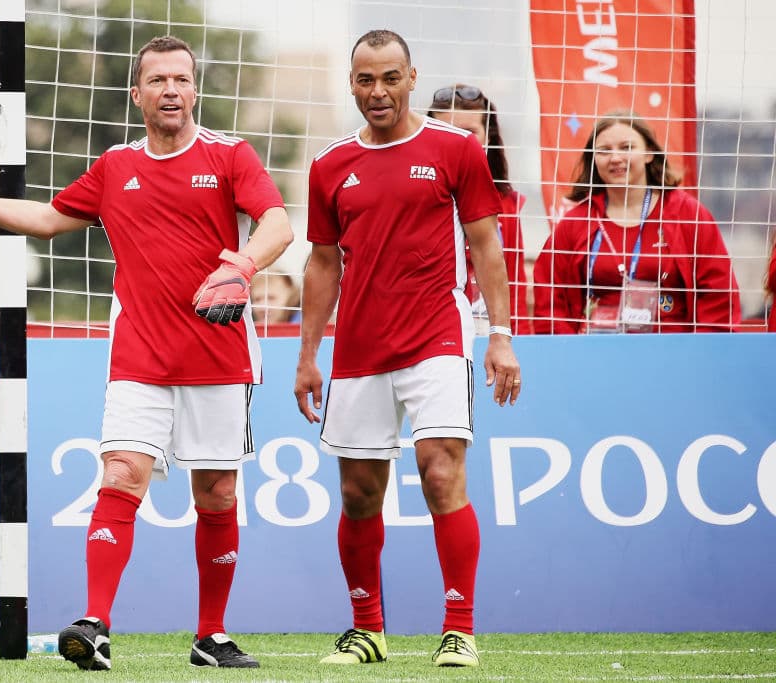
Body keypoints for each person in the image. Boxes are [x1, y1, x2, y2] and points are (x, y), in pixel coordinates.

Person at [0, 36, 293, 671]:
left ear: (195, 90)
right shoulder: (116, 165)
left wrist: (242, 265)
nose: (171, 89)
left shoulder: (230, 156)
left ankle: (211, 634)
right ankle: (96, 625)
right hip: (138, 358)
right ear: (137, 94)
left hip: (221, 358)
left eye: (182, 79)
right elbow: (48, 218)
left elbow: (278, 222)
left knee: (218, 492)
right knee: (120, 477)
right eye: (158, 80)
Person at [294, 30, 520, 669]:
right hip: (359, 347)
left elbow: (485, 246)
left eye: (390, 78)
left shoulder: (456, 151)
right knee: (360, 493)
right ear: (352, 84)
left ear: (412, 77)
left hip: (437, 336)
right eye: (366, 80)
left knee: (440, 469)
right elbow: (320, 261)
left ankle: (459, 628)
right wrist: (308, 356)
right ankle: (368, 629)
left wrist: (499, 334)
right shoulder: (330, 165)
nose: (378, 92)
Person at [533, 111, 741, 333]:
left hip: (674, 355)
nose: (615, 158)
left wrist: (699, 356)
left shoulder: (687, 214)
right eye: (604, 151)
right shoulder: (576, 222)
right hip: (595, 354)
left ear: (649, 154)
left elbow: (718, 295)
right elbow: (551, 300)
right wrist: (569, 354)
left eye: (627, 147)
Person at [428, 85, 532, 335]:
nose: (459, 141)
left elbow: (514, 284)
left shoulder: (507, 204)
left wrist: (521, 342)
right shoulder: (411, 201)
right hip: (431, 338)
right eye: (447, 132)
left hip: (490, 335)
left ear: (488, 137)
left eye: (469, 132)